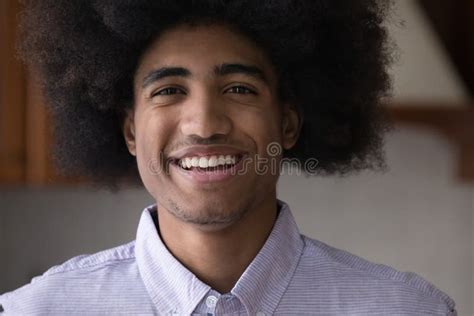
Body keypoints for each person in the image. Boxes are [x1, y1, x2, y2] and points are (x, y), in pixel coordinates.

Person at [0, 0, 457, 315]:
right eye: (169, 91)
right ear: (130, 131)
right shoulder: (42, 310)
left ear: (288, 125)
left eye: (239, 89)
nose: (204, 124)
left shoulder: (407, 311)